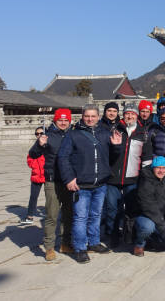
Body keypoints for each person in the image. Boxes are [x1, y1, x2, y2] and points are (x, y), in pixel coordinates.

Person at [58, 104, 122, 264]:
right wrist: (69, 178)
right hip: (81, 184)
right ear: (82, 116)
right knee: (80, 217)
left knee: (96, 215)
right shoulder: (73, 135)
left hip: (100, 183)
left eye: (93, 116)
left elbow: (111, 157)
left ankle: (93, 242)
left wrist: (116, 146)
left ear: (98, 117)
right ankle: (80, 247)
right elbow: (63, 158)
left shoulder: (105, 133)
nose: (90, 119)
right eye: (87, 116)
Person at [28, 108, 73, 261]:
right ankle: (49, 247)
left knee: (68, 214)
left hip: (69, 181)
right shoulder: (47, 135)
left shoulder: (73, 134)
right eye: (60, 120)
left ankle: (65, 242)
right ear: (55, 120)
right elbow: (33, 154)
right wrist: (39, 144)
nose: (63, 122)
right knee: (52, 215)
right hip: (52, 180)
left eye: (66, 120)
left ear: (69, 121)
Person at [103, 103, 148, 247]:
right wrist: (115, 147)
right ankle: (112, 235)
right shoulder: (116, 130)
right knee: (111, 209)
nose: (130, 116)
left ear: (137, 116)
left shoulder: (142, 133)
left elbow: (146, 157)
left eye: (133, 114)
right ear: (123, 115)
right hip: (113, 178)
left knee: (131, 209)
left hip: (132, 178)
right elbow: (107, 154)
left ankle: (130, 236)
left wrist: (144, 178)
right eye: (127, 113)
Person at [132, 156, 165, 257]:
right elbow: (149, 208)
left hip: (159, 215)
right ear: (153, 168)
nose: (161, 171)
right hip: (144, 216)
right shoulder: (145, 181)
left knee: (164, 246)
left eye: (164, 168)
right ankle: (139, 244)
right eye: (158, 168)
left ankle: (150, 240)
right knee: (148, 227)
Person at [21, 127, 46, 224]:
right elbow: (29, 161)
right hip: (36, 175)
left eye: (41, 133)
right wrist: (36, 167)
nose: (39, 135)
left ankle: (50, 216)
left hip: (48, 175)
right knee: (33, 197)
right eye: (37, 133)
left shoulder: (49, 145)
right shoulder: (34, 147)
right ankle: (29, 216)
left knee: (50, 197)